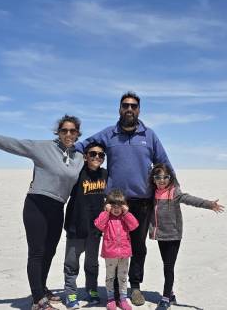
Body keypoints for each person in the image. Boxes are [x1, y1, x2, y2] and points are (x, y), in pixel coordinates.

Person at [0, 115, 85, 310]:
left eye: (72, 131)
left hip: (58, 207)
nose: (68, 134)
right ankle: (38, 300)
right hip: (37, 204)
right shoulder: (43, 147)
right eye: (64, 130)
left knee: (49, 252)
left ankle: (42, 288)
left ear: (78, 133)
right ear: (58, 132)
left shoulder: (79, 157)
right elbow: (14, 145)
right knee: (37, 252)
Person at [75, 91, 171, 306]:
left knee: (137, 246)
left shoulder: (149, 135)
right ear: (119, 109)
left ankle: (134, 287)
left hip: (142, 200)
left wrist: (172, 188)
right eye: (125, 105)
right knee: (114, 244)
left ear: (139, 110)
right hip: (115, 202)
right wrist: (67, 150)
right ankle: (115, 289)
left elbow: (163, 161)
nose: (129, 109)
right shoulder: (109, 134)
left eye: (133, 106)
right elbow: (86, 144)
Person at [147, 163, 225, 310]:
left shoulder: (174, 192)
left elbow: (191, 199)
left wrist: (209, 204)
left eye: (165, 177)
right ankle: (170, 293)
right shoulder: (152, 194)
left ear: (170, 178)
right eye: (158, 177)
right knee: (166, 264)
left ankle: (165, 298)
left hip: (173, 235)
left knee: (168, 267)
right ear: (153, 179)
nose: (162, 180)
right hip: (161, 235)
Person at [62, 142, 108, 309]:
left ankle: (92, 290)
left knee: (92, 263)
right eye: (93, 153)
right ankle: (71, 293)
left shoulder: (105, 174)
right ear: (85, 156)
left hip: (95, 228)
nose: (97, 157)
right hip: (76, 226)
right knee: (71, 263)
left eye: (101, 155)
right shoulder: (77, 173)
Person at [94, 190, 139, 310]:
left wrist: (126, 213)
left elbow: (134, 225)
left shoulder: (125, 217)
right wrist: (106, 212)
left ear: (124, 206)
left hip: (124, 253)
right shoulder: (107, 218)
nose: (116, 209)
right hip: (110, 253)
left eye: (119, 206)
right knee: (110, 277)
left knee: (123, 277)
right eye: (113, 206)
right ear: (109, 206)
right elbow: (98, 225)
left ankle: (123, 299)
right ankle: (110, 299)